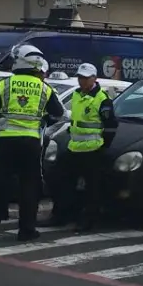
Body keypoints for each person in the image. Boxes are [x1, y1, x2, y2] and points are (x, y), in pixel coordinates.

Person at [0, 45, 63, 240]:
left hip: (6, 142)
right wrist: (44, 120)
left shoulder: (5, 84)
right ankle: (27, 230)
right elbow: (58, 113)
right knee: (29, 186)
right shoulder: (44, 88)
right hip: (31, 142)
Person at [48, 62, 116, 233]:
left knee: (91, 189)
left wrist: (103, 145)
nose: (82, 81)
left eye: (86, 78)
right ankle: (60, 216)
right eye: (80, 77)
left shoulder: (102, 99)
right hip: (74, 148)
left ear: (94, 78)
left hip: (92, 150)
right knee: (62, 182)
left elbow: (111, 126)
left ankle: (87, 221)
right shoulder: (77, 95)